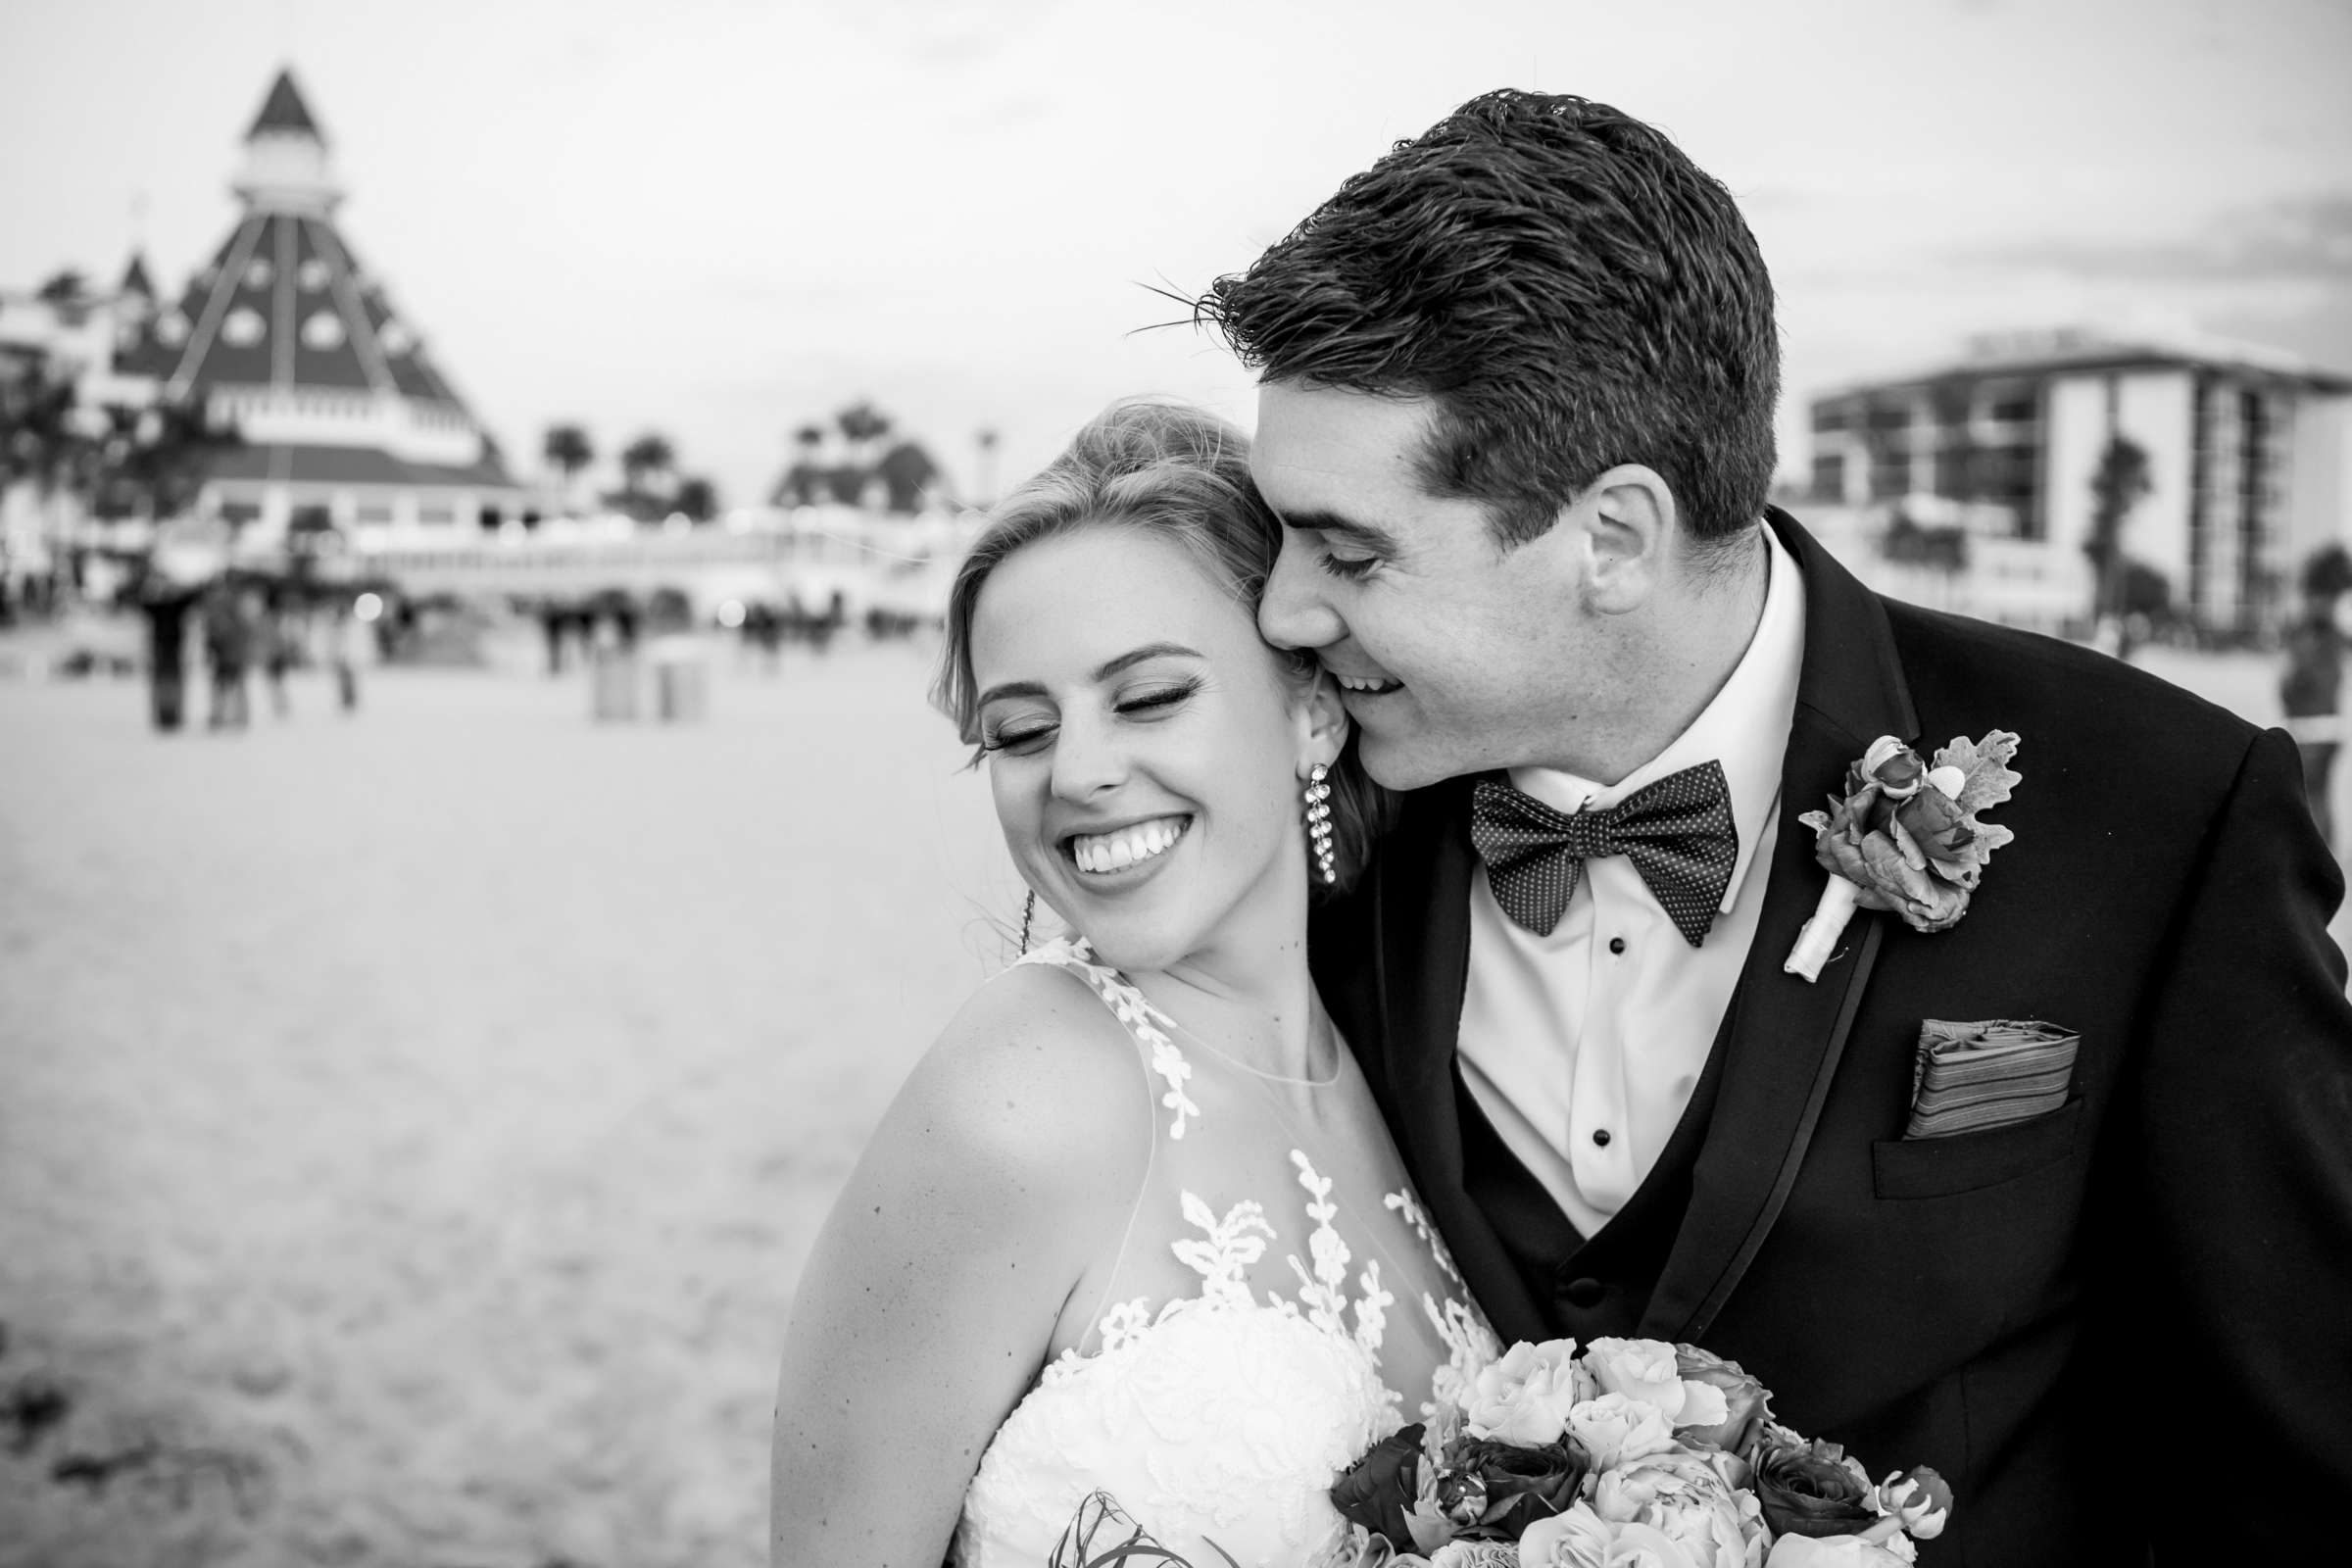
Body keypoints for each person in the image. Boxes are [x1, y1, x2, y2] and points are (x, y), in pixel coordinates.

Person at [1195, 89, 2352, 1562]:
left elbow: (2300, 1444)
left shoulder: (2162, 812)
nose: (1286, 611)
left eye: (1349, 553)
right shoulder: (1303, 817)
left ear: (1611, 537)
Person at [770, 402, 1494, 1567]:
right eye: (1020, 731)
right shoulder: (1024, 1091)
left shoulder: (1413, 1061)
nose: (1081, 773)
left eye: (1149, 698)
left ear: (1313, 704)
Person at [2281, 545, 2351, 851]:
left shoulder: (2313, 630)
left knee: (2310, 801)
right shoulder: (2331, 632)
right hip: (2327, 725)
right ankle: (2327, 859)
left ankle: (2319, 860)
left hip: (2311, 726)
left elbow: (2297, 683)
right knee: (2320, 799)